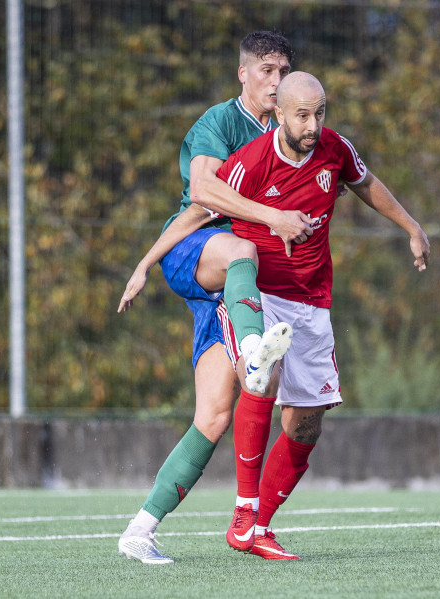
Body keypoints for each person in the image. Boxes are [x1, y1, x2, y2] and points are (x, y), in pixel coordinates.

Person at [127, 71, 430, 559]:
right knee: (259, 378)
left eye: (320, 113)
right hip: (259, 296)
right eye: (302, 115)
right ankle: (243, 508)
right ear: (281, 115)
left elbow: (366, 182)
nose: (312, 125)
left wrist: (412, 226)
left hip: (311, 302)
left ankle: (259, 527)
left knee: (306, 423)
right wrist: (144, 262)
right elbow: (199, 210)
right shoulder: (252, 159)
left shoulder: (335, 149)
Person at [116, 31, 312, 565]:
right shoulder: (219, 123)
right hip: (201, 252)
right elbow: (201, 195)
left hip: (229, 288)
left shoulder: (291, 130)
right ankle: (255, 351)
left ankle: (139, 529)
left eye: (283, 71)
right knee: (244, 248)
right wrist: (150, 260)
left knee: (213, 416)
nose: (276, 81)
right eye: (267, 71)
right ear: (243, 75)